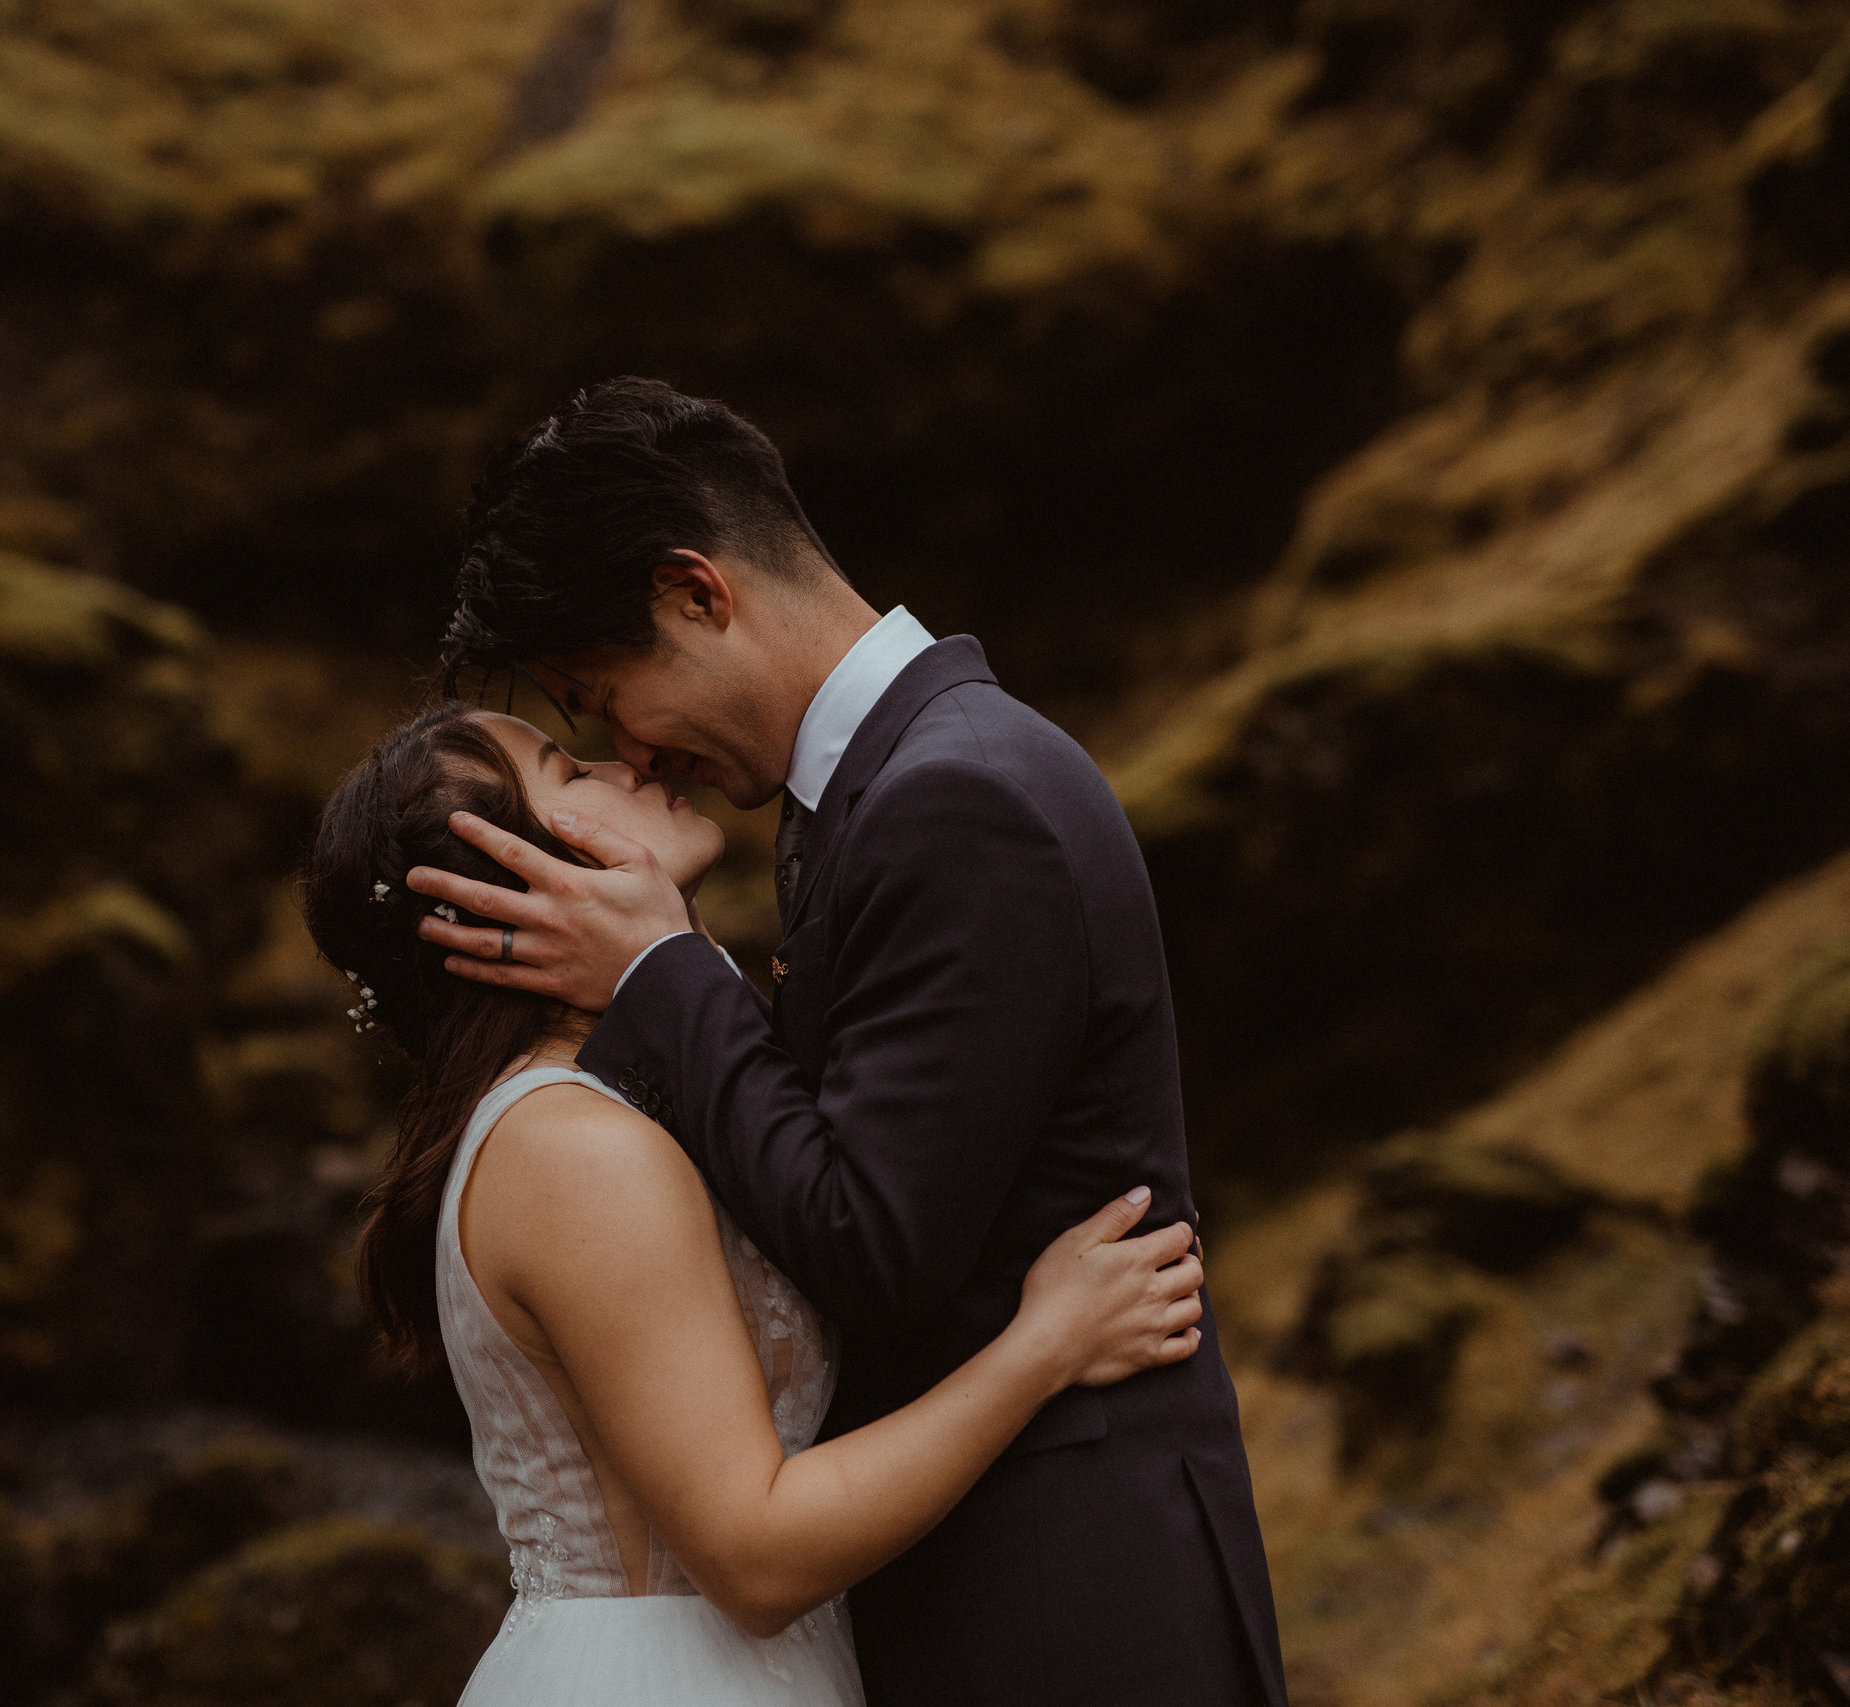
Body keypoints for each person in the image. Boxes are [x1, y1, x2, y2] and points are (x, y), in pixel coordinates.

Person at [406, 378, 1288, 1707]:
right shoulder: (886, 789)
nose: (632, 747)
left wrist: (656, 970)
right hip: (982, 1569)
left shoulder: (958, 796)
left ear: (697, 591)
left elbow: (876, 1240)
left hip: (1068, 1593)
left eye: (606, 692)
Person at [305, 702, 1210, 1706]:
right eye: (566, 768)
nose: (623, 761)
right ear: (518, 882)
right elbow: (756, 1556)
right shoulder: (574, 1151)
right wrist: (1044, 1347)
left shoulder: (622, 1103)